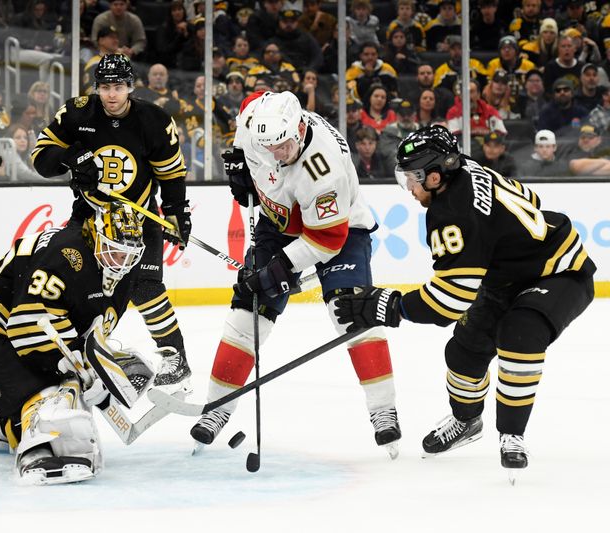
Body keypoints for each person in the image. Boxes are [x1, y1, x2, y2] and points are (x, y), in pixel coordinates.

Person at [333, 124, 595, 473]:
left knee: (520, 333)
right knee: (463, 352)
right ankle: (467, 421)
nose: (408, 188)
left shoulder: (451, 214)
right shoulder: (464, 166)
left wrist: (389, 306)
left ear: (436, 176)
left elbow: (448, 303)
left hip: (560, 272)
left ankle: (512, 435)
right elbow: (529, 199)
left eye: (413, 178)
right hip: (506, 279)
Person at [194, 91, 402, 458]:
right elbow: (248, 147)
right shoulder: (254, 119)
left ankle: (383, 410)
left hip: (340, 229)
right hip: (278, 224)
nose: (276, 153)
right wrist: (242, 169)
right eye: (267, 147)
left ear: (300, 127)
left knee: (352, 312)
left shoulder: (324, 170)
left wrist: (280, 269)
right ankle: (218, 408)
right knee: (247, 313)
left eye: (283, 146)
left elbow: (325, 239)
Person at [0, 201, 153, 484]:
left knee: (65, 386)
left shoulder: (121, 274)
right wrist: (75, 364)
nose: (120, 263)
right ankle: (40, 450)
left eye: (128, 256)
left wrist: (94, 368)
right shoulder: (67, 254)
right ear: (96, 235)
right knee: (50, 391)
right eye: (114, 252)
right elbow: (26, 324)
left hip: (1, 329)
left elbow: (86, 332)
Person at [31, 54, 193, 391]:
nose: (111, 95)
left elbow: (172, 173)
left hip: (137, 219)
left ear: (130, 87)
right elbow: (41, 160)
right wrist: (68, 156)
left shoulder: (154, 120)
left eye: (118, 87)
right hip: (89, 216)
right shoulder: (77, 112)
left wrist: (176, 211)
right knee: (72, 277)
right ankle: (72, 352)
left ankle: (175, 358)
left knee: (145, 287)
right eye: (105, 87)